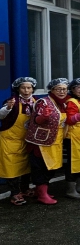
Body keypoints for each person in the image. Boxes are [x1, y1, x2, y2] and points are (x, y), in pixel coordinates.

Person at [24, 78, 71, 205]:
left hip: (56, 141)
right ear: (52, 90)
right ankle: (42, 194)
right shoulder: (43, 102)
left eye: (64, 89)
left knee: (52, 167)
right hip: (41, 142)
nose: (62, 92)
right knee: (41, 167)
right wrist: (44, 116)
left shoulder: (63, 104)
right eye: (59, 89)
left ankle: (41, 191)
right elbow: (36, 120)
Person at [0, 77, 36, 206]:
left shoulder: (36, 102)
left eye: (29, 88)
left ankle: (25, 188)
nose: (26, 90)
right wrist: (8, 108)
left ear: (32, 89)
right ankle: (14, 193)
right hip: (10, 140)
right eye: (23, 88)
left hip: (27, 139)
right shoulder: (12, 101)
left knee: (26, 166)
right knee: (11, 167)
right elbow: (1, 115)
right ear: (18, 89)